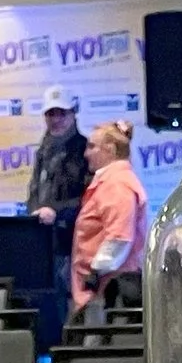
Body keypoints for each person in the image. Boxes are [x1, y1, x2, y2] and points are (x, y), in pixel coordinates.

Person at [70, 120, 146, 318]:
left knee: (94, 337)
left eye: (92, 147)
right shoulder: (110, 182)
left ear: (110, 149)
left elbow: (119, 237)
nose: (86, 154)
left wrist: (95, 272)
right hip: (101, 292)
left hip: (109, 294)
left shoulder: (117, 184)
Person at [27, 84, 89, 232]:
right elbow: (34, 191)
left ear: (73, 113)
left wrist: (56, 212)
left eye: (62, 113)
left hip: (74, 234)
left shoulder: (87, 150)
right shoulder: (42, 151)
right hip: (42, 232)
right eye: (50, 114)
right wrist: (35, 212)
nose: (56, 120)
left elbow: (90, 197)